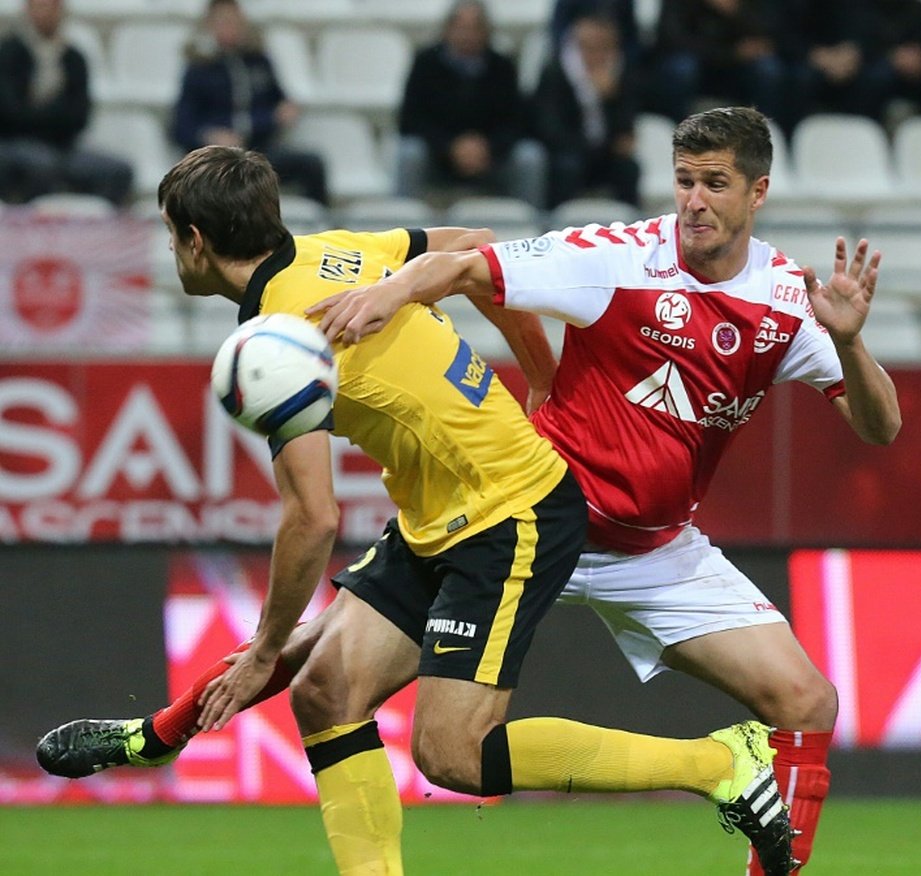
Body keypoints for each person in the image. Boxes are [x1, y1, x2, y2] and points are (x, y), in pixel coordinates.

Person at [36, 144, 795, 876]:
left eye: (173, 236)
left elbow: (313, 520)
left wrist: (264, 646)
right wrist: (537, 368)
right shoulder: (330, 249)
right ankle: (165, 743)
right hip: (442, 517)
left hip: (510, 515)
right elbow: (475, 248)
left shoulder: (276, 345)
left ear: (195, 241)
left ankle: (720, 762)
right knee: (327, 689)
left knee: (453, 754)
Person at [300, 106, 902, 874]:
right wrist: (390, 295)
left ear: (758, 192)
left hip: (656, 550)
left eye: (714, 184)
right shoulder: (614, 258)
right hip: (525, 523)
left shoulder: (786, 300)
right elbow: (466, 264)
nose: (693, 201)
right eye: (684, 181)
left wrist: (850, 346)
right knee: (341, 694)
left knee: (807, 703)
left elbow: (879, 427)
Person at [171, 0, 328, 205]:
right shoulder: (199, 69)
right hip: (218, 159)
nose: (230, 27)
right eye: (223, 21)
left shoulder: (258, 61)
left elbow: (279, 105)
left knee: (310, 164)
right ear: (210, 25)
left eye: (234, 21)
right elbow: (181, 126)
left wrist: (280, 114)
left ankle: (320, 229)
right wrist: (208, 135)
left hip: (259, 150)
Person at [395, 0, 546, 209]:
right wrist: (450, 147)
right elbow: (411, 119)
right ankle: (405, 229)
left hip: (492, 157)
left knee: (529, 156)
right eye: (461, 27)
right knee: (409, 153)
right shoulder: (426, 64)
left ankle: (532, 229)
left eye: (475, 28)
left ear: (487, 32)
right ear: (447, 29)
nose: (468, 35)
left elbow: (517, 121)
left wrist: (487, 147)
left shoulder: (502, 67)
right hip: (439, 157)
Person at [0, 0, 133, 206]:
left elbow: (80, 116)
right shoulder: (8, 54)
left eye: (51, 6)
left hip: (63, 148)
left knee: (118, 171)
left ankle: (93, 230)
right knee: (40, 164)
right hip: (14, 145)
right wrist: (54, 116)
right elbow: (9, 114)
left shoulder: (74, 58)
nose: (46, 12)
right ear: (28, 9)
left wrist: (39, 115)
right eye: (40, 5)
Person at [532, 12, 642, 208]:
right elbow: (549, 127)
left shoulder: (623, 74)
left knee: (629, 168)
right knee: (567, 167)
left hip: (606, 153)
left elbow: (626, 131)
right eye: (589, 48)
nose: (596, 55)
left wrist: (611, 99)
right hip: (569, 150)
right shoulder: (556, 73)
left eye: (604, 48)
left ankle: (633, 232)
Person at [646, 0, 788, 133]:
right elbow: (671, 39)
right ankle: (678, 130)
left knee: (767, 67)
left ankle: (762, 130)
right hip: (700, 61)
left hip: (737, 66)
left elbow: (769, 35)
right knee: (681, 68)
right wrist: (728, 53)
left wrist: (735, 12)